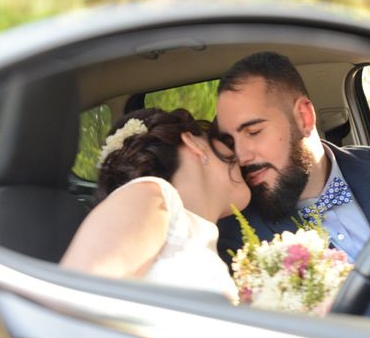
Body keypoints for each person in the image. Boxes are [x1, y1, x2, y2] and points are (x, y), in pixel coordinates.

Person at [215, 52, 370, 316]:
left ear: (304, 118)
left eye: (253, 132)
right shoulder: (240, 236)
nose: (241, 156)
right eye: (230, 141)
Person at [61, 108, 251, 304]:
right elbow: (76, 301)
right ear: (194, 143)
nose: (241, 156)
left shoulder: (202, 238)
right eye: (227, 142)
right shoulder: (150, 197)